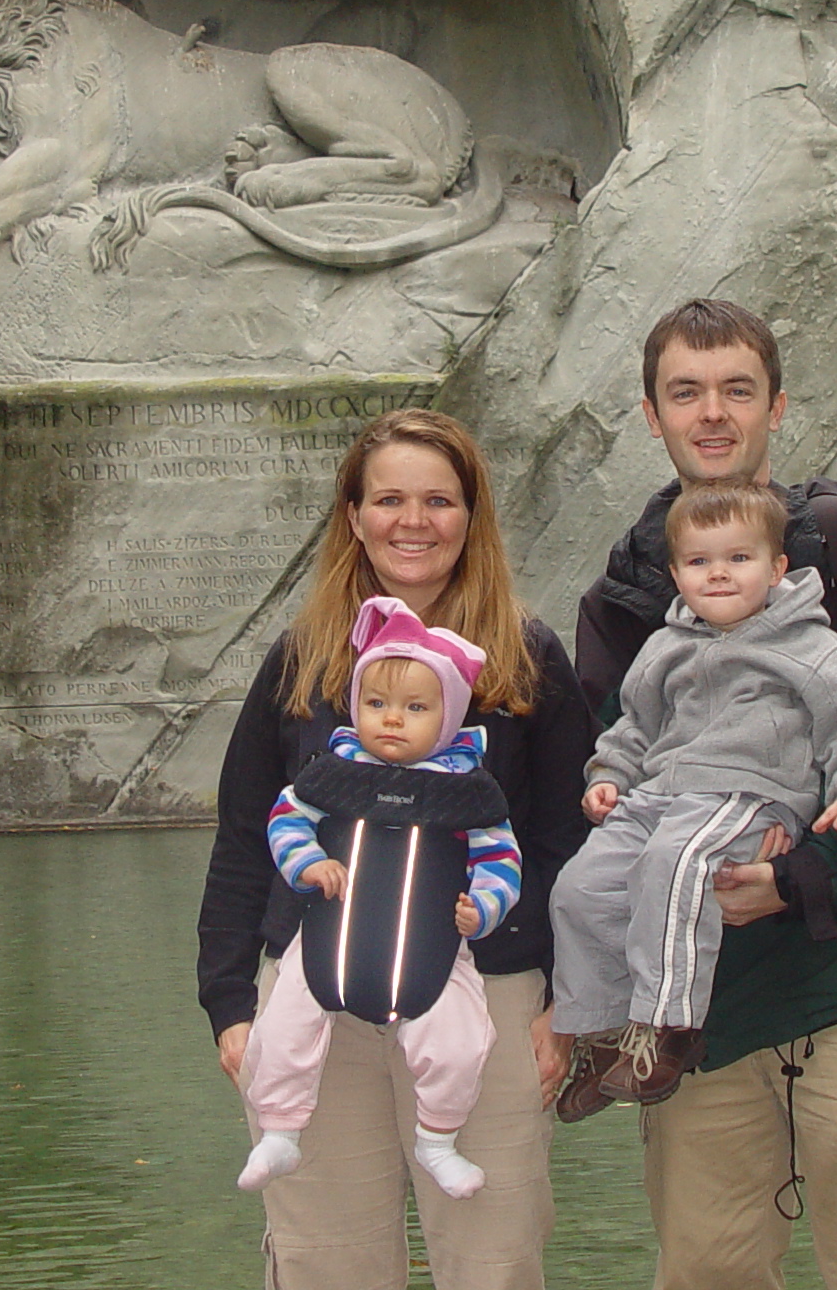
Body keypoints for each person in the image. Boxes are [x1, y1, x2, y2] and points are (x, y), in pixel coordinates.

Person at [573, 299, 837, 1290]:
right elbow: (610, 776)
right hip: (701, 997)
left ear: (776, 406)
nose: (712, 413)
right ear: (650, 414)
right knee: (708, 1267)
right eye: (686, 392)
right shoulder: (627, 596)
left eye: (736, 390)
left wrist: (808, 878)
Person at [198, 407, 595, 1290]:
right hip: (315, 995)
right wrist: (229, 1002)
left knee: (492, 1263)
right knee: (325, 1267)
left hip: (487, 1002)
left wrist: (566, 997)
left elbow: (571, 842)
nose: (413, 521)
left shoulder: (525, 659)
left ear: (472, 516)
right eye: (388, 499)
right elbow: (241, 840)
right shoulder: (303, 661)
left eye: (439, 501)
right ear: (353, 516)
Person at [549, 479, 837, 1109]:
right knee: (580, 889)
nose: (719, 575)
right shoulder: (665, 647)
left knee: (675, 864)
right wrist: (609, 777)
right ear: (677, 573)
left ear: (776, 566)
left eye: (738, 559)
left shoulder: (814, 648)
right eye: (699, 562)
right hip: (661, 794)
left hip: (747, 791)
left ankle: (671, 1028)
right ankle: (605, 1033)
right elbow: (635, 728)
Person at [239, 596, 521, 1199]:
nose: (392, 719)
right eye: (376, 703)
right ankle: (280, 1131)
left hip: (435, 950)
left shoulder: (468, 792)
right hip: (323, 941)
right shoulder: (334, 773)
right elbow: (283, 821)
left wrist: (485, 907)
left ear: (448, 719)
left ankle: (437, 1140)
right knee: (282, 1028)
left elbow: (502, 859)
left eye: (416, 708)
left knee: (461, 1041)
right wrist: (309, 863)